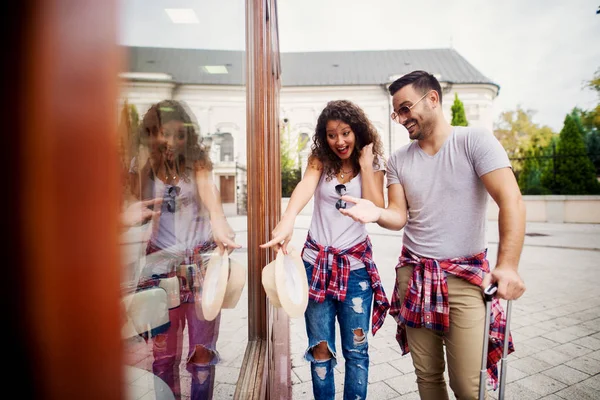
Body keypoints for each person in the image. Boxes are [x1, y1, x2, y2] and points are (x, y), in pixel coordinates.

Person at [339, 70, 526, 400]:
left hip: (465, 279)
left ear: (433, 99)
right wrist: (378, 212)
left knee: (469, 385)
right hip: (414, 276)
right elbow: (398, 216)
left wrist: (507, 264)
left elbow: (510, 199)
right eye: (397, 112)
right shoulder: (399, 161)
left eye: (406, 108)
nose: (400, 118)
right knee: (427, 377)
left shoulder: (474, 142)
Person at [261, 100, 390, 400]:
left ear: (357, 131)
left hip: (355, 270)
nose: (339, 141)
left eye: (345, 133)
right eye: (332, 134)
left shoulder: (375, 163)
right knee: (320, 350)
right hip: (315, 265)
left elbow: (377, 208)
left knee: (356, 351)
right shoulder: (320, 158)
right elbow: (306, 186)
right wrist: (288, 219)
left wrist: (366, 166)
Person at [127, 99, 240, 400]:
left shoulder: (197, 162)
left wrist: (218, 220)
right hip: (160, 268)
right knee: (163, 357)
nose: (173, 142)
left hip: (200, 264)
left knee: (202, 354)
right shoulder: (142, 167)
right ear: (153, 134)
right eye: (165, 133)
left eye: (180, 135)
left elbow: (209, 193)